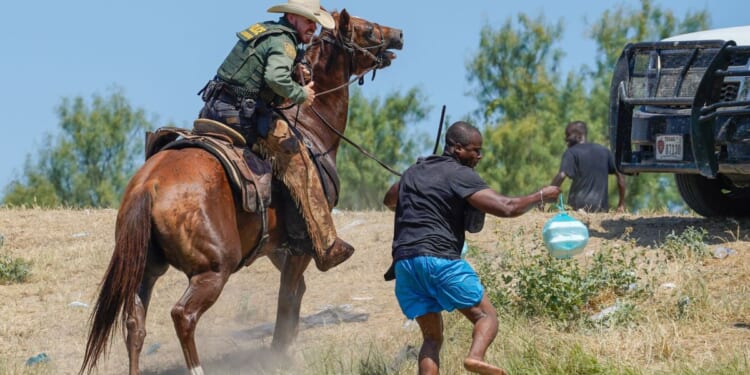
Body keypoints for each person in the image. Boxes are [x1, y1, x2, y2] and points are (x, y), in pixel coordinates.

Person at [383, 121, 561, 375]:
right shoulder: (461, 175)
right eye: (475, 150)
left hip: (405, 265)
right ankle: (475, 357)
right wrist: (540, 196)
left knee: (432, 339)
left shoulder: (413, 171)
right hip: (439, 259)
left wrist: (419, 186)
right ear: (457, 149)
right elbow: (507, 206)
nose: (479, 156)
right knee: (485, 317)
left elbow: (390, 199)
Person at [197, 0, 353, 271]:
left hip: (214, 111)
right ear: (292, 17)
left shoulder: (265, 31)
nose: (313, 27)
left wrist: (295, 70)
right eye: (308, 21)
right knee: (299, 159)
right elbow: (274, 77)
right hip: (243, 118)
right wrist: (300, 93)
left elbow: (257, 70)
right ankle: (326, 245)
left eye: (315, 22)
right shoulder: (285, 42)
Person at [550, 120, 626, 213]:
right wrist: (621, 204)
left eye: (568, 136)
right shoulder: (605, 151)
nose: (566, 140)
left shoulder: (571, 152)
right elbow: (620, 175)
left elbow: (561, 175)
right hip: (601, 209)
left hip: (577, 208)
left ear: (579, 136)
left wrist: (544, 197)